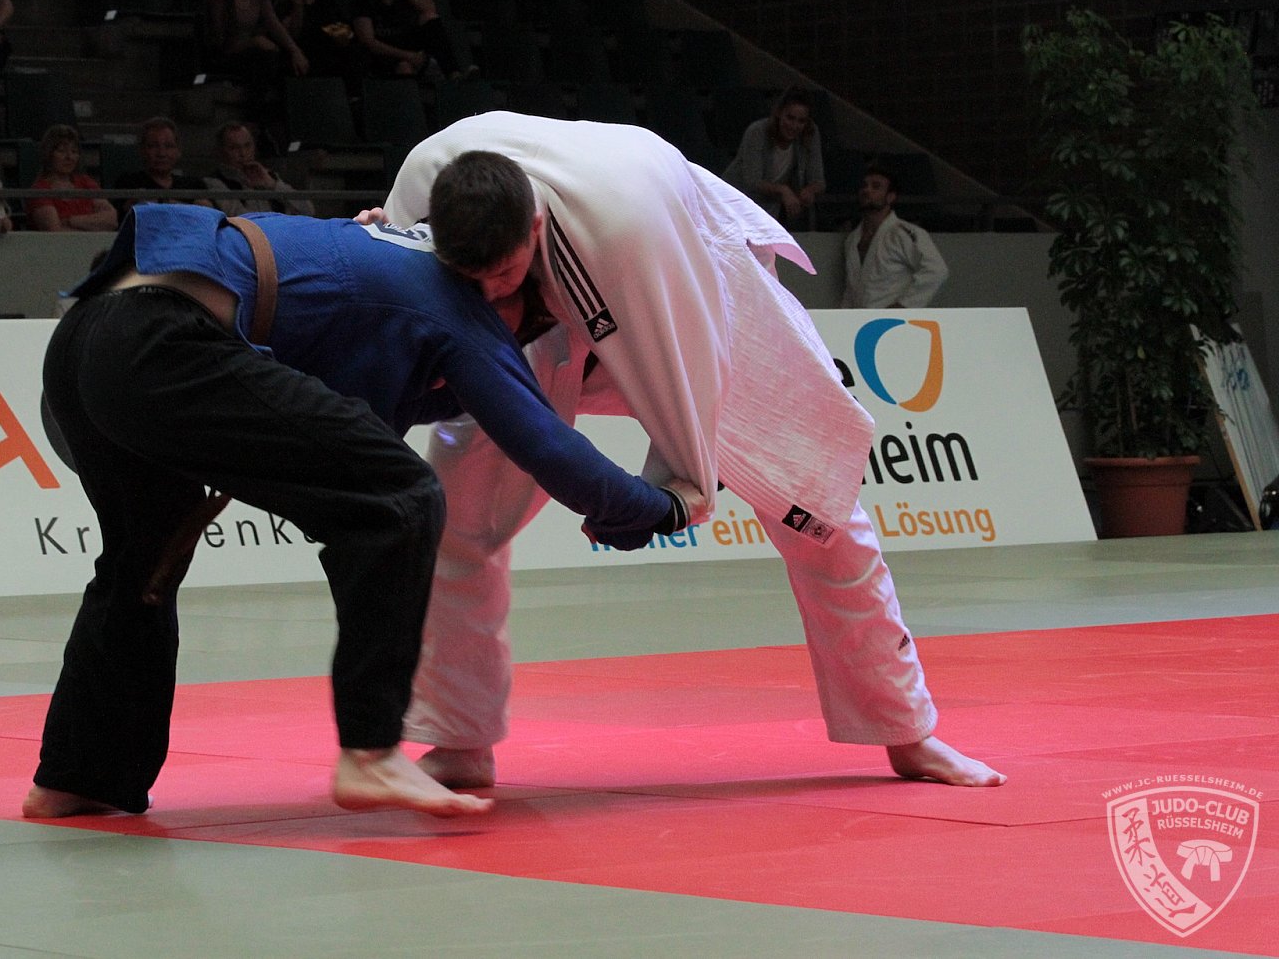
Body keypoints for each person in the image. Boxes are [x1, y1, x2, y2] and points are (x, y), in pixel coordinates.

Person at [378, 112, 1006, 791]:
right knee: (458, 513)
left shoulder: (627, 228)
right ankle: (460, 737)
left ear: (532, 228)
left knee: (820, 506)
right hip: (536, 327)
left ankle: (906, 729)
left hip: (690, 284)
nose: (492, 291)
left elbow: (689, 374)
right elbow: (385, 309)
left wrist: (666, 497)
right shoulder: (419, 190)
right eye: (473, 280)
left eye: (502, 272)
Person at [25, 202, 700, 819]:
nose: (515, 343)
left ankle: (81, 776)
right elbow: (545, 443)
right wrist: (662, 508)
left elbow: (372, 407)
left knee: (142, 565)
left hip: (89, 341)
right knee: (399, 500)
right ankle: (371, 751)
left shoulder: (391, 247)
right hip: (163, 343)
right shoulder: (464, 307)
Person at [839, 163, 949, 309]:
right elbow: (851, 289)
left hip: (894, 317)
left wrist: (904, 305)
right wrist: (843, 315)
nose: (867, 190)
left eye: (876, 186)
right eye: (864, 186)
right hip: (859, 318)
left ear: (890, 197)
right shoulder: (852, 239)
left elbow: (936, 270)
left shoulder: (904, 232)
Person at [722, 86, 825, 228]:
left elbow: (819, 181)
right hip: (733, 204)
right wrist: (783, 190)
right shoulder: (757, 132)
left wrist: (809, 191)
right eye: (790, 118)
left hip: (767, 214)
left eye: (801, 121)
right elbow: (752, 181)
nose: (794, 126)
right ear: (779, 113)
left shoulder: (810, 134)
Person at [206, 120, 314, 216]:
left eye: (247, 146)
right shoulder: (215, 182)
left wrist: (272, 184)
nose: (243, 153)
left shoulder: (268, 176)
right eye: (234, 148)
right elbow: (242, 219)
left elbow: (308, 210)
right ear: (221, 151)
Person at [110, 117, 211, 219]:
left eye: (169, 146)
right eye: (153, 146)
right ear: (142, 150)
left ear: (178, 151)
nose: (161, 153)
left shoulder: (194, 185)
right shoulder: (128, 183)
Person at [277, 0, 358, 83]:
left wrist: (340, 34)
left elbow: (344, 38)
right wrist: (298, 7)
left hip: (325, 58)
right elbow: (292, 36)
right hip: (296, 58)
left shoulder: (328, 5)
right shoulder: (284, 5)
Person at [27, 124, 118, 233]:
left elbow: (111, 220)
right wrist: (92, 226)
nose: (69, 157)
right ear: (48, 154)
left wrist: (71, 221)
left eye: (74, 152)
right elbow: (55, 232)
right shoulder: (40, 190)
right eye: (62, 151)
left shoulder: (86, 182)